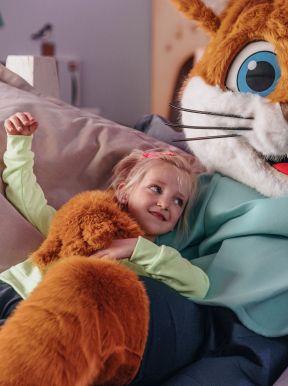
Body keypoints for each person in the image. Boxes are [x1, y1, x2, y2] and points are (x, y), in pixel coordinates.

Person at [0, 111, 209, 327]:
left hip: (51, 321)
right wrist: (19, 143)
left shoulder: (154, 261)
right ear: (124, 191)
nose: (165, 204)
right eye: (156, 189)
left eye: (178, 201)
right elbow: (27, 198)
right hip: (14, 288)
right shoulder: (84, 221)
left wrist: (137, 248)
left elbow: (199, 287)